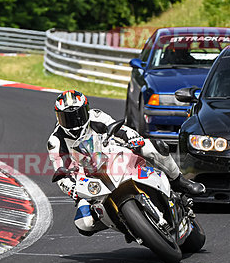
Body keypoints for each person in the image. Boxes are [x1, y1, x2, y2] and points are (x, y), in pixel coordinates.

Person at [47, 90, 205, 236]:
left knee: (154, 147)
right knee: (85, 224)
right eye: (67, 118)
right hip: (86, 177)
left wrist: (133, 138)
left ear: (86, 110)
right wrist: (73, 189)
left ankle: (179, 180)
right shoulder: (55, 141)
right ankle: (123, 223)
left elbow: (121, 129)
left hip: (109, 154)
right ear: (58, 117)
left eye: (77, 115)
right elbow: (61, 172)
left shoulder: (96, 116)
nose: (74, 121)